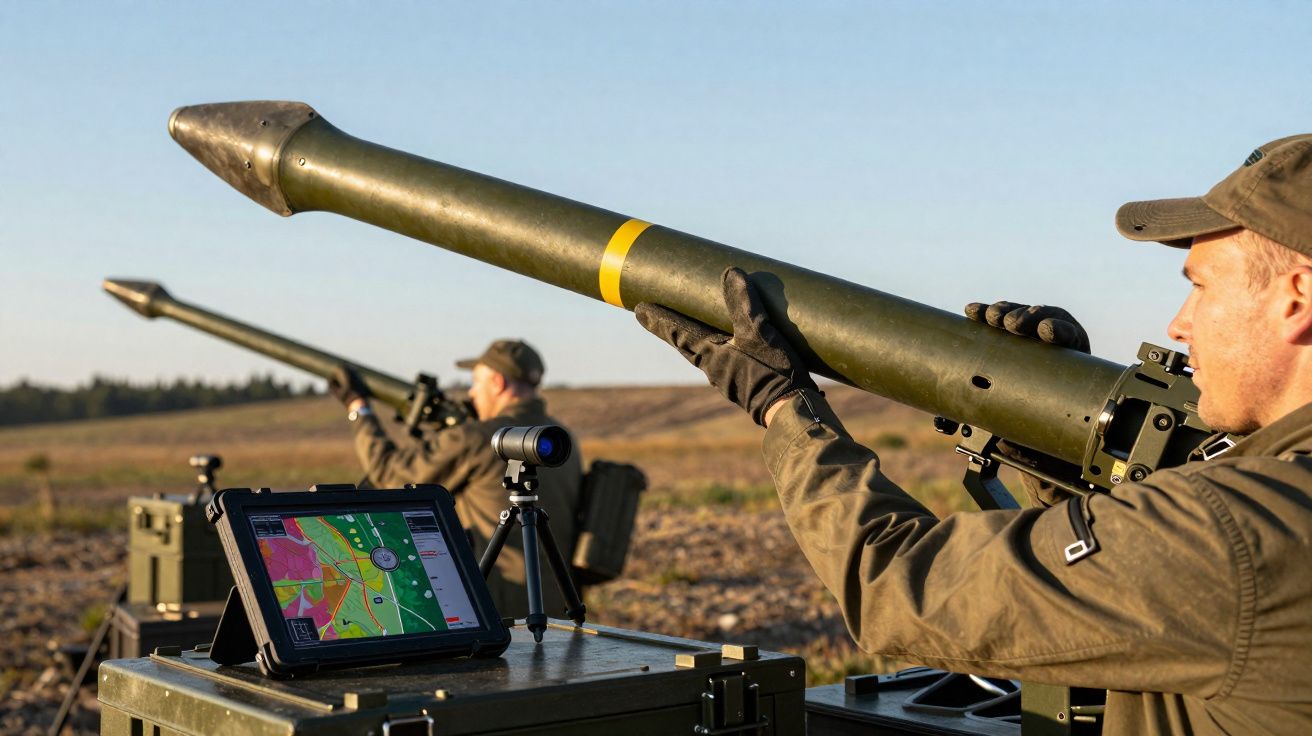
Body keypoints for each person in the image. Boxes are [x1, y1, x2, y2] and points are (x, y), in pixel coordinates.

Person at [635, 134, 1312, 735]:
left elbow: (900, 584)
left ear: (1296, 296)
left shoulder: (1237, 537)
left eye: (1201, 286)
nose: (1178, 323)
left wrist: (783, 407)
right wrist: (1059, 443)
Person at [328, 339, 583, 620]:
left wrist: (359, 408)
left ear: (497, 383)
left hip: (498, 605)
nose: (472, 393)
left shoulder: (480, 437)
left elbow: (390, 475)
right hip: (559, 602)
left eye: (476, 383)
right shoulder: (560, 438)